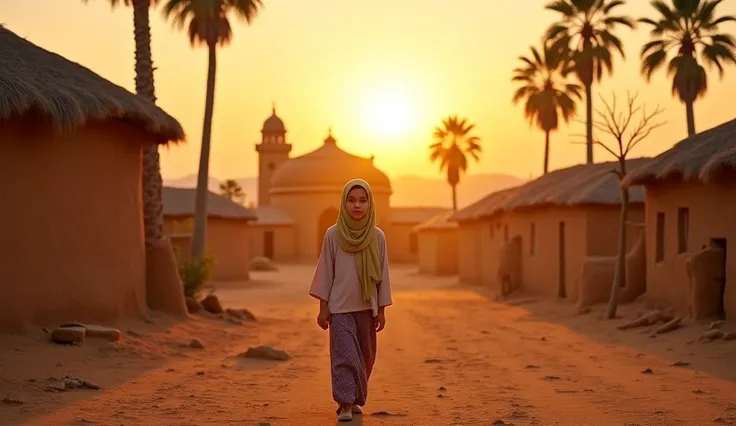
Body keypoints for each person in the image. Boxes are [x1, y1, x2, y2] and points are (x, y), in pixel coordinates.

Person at [309, 178, 393, 422]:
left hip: (368, 308)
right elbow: (326, 272)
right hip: (339, 309)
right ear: (344, 203)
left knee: (365, 359)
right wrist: (323, 309)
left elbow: (383, 276)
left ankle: (355, 397)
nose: (357, 206)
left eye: (363, 200)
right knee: (344, 358)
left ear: (370, 204)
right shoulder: (333, 235)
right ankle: (345, 404)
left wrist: (383, 310)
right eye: (352, 200)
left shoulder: (377, 237)